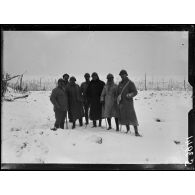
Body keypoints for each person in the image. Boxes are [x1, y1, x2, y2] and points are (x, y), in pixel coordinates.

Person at [117, 70, 141, 136]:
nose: (122, 76)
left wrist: (130, 95)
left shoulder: (130, 83)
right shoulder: (120, 84)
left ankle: (136, 132)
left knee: (132, 117)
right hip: (122, 103)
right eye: (121, 75)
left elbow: (135, 92)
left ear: (126, 75)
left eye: (123, 74)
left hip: (129, 103)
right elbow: (118, 93)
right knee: (125, 116)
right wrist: (118, 98)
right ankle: (128, 130)